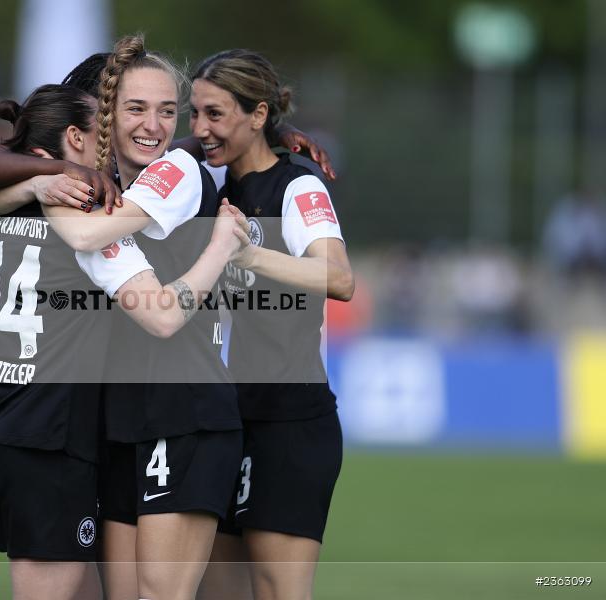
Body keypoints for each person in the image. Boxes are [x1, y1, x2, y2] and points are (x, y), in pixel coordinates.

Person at [0, 82, 246, 600]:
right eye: (106, 127)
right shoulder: (85, 219)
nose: (115, 142)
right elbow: (161, 316)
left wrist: (31, 184)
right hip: (49, 434)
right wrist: (221, 247)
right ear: (75, 138)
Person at [189, 49, 354, 600]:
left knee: (278, 591)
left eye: (215, 114)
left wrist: (249, 255)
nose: (200, 129)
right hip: (225, 419)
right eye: (194, 113)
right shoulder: (210, 191)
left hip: (289, 420)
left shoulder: (298, 187)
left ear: (257, 115)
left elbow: (340, 278)